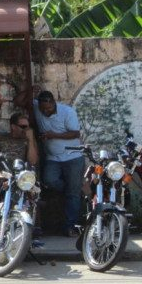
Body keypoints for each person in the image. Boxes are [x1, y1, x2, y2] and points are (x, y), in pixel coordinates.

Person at [33, 90, 83, 237]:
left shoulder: (67, 112)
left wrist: (52, 135)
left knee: (73, 194)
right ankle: (71, 189)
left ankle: (71, 226)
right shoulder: (36, 106)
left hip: (73, 156)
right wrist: (33, 89)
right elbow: (19, 100)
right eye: (43, 109)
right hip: (53, 157)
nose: (46, 111)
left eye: (49, 108)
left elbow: (75, 133)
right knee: (49, 180)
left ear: (54, 103)